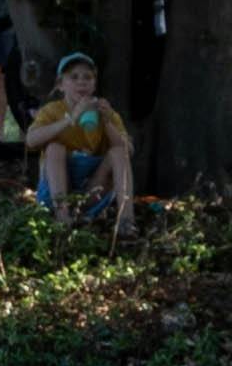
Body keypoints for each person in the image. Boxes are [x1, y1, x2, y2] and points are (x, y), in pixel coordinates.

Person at [17, 49, 141, 232]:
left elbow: (127, 150)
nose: (81, 82)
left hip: (92, 189)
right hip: (57, 190)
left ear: (94, 84)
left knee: (117, 152)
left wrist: (107, 122)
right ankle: (62, 218)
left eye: (87, 77)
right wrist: (70, 119)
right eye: (73, 77)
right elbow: (31, 141)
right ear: (61, 84)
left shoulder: (104, 111)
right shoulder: (52, 111)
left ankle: (126, 221)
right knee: (54, 148)